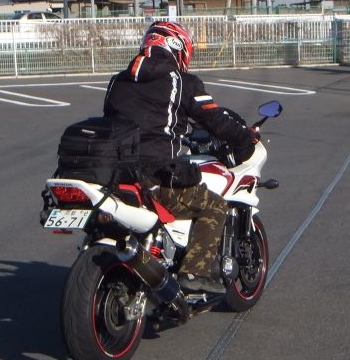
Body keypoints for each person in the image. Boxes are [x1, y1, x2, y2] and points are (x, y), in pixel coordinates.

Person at [103, 20, 255, 294]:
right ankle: (193, 273)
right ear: (178, 48)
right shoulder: (182, 82)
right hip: (155, 178)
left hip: (113, 177)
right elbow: (215, 121)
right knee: (215, 206)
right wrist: (245, 140)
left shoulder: (117, 81)